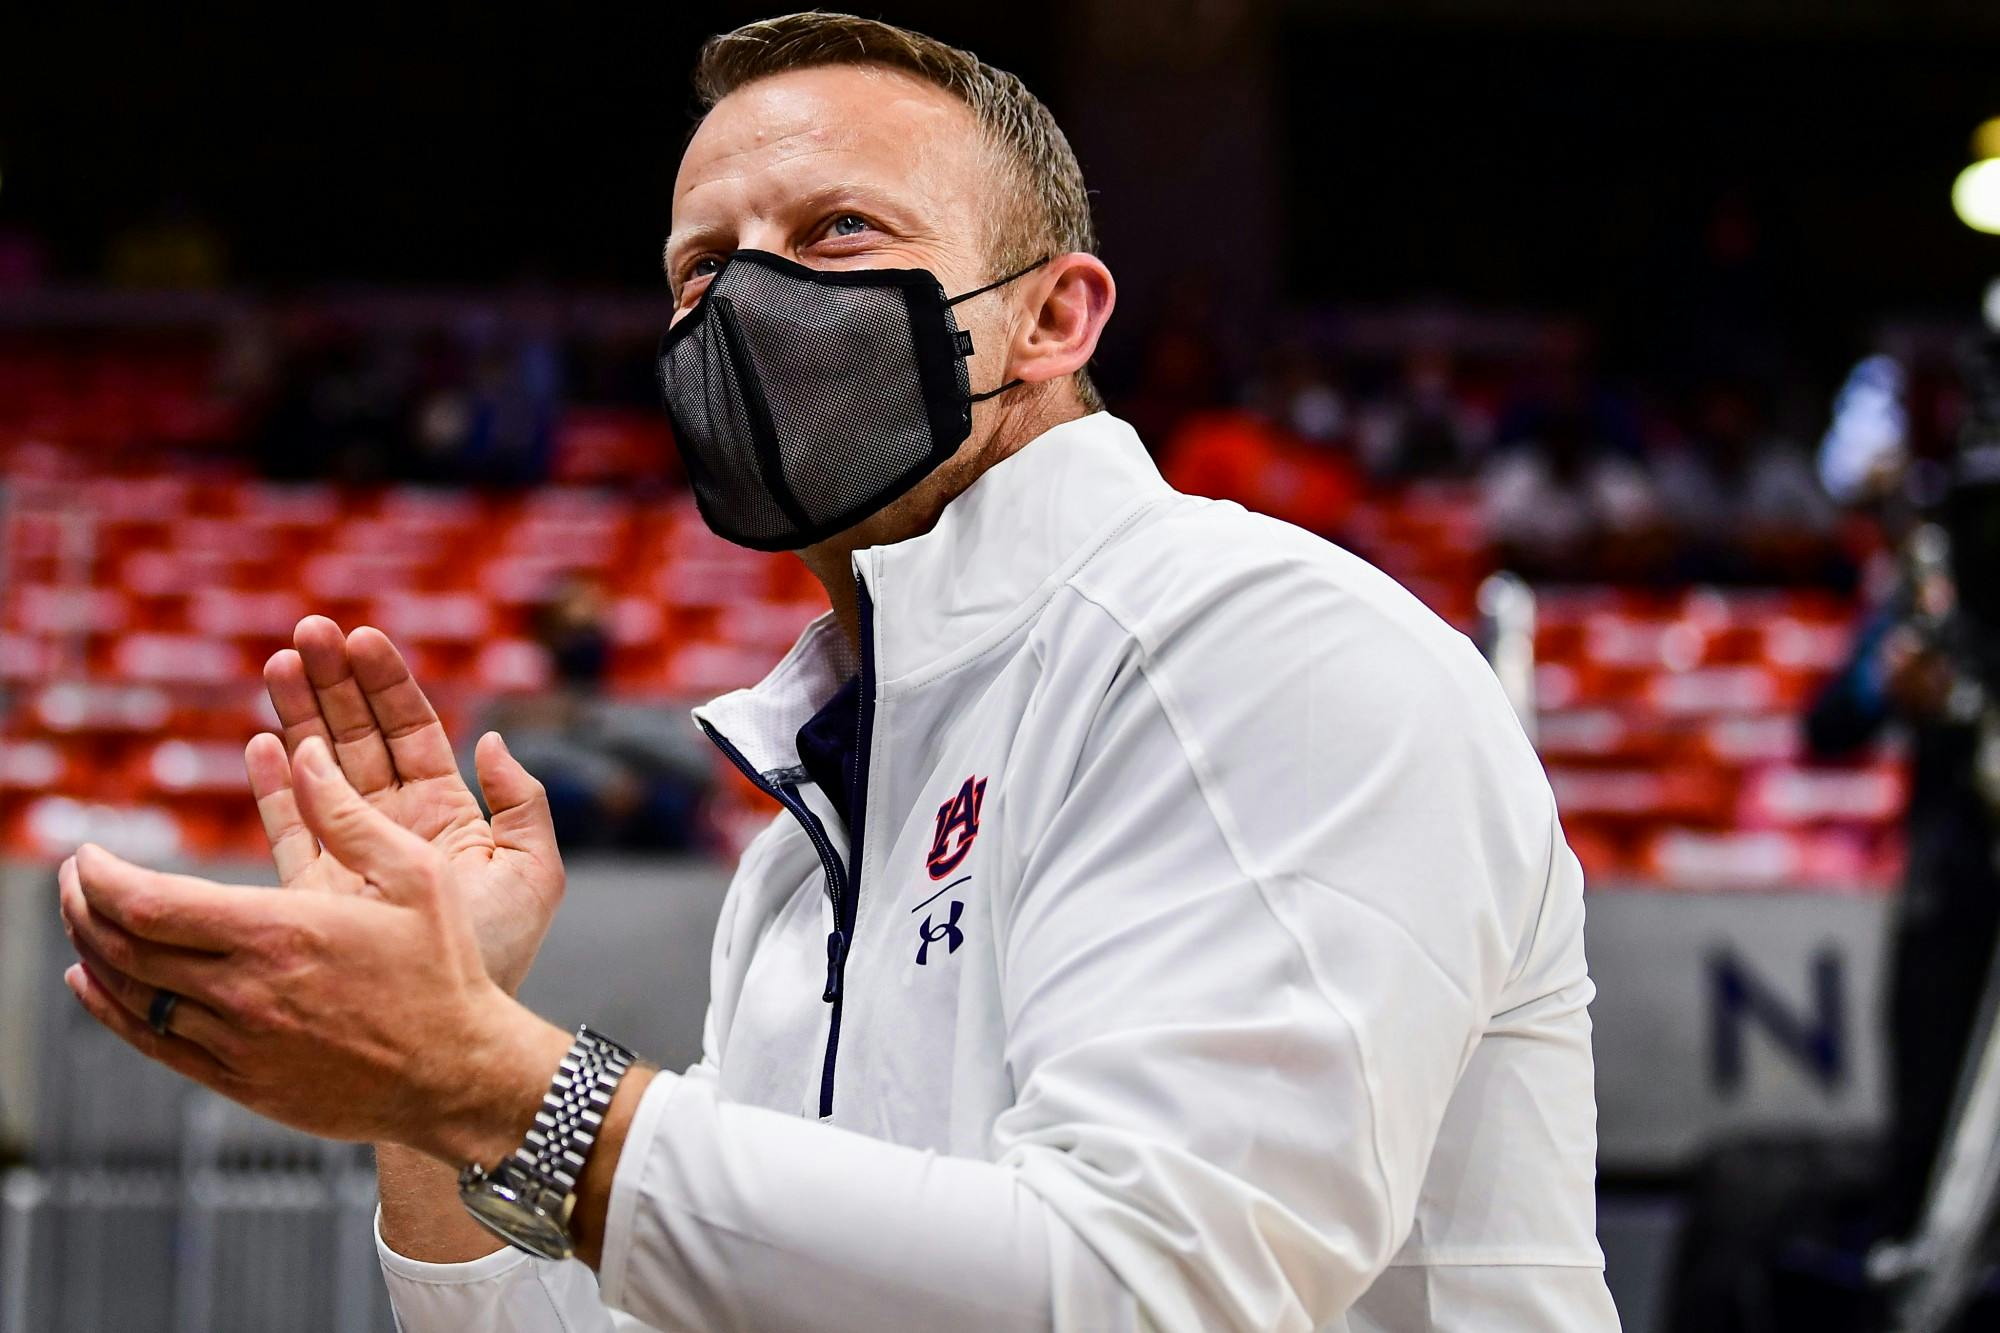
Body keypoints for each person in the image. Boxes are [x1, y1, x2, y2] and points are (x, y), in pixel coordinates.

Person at [55, 15, 1616, 1330]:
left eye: (835, 236)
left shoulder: (1254, 645)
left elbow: (1153, 1287)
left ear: (1056, 317)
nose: (748, 306)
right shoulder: (817, 820)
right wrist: (425, 1074)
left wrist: (494, 1082)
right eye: (699, 273)